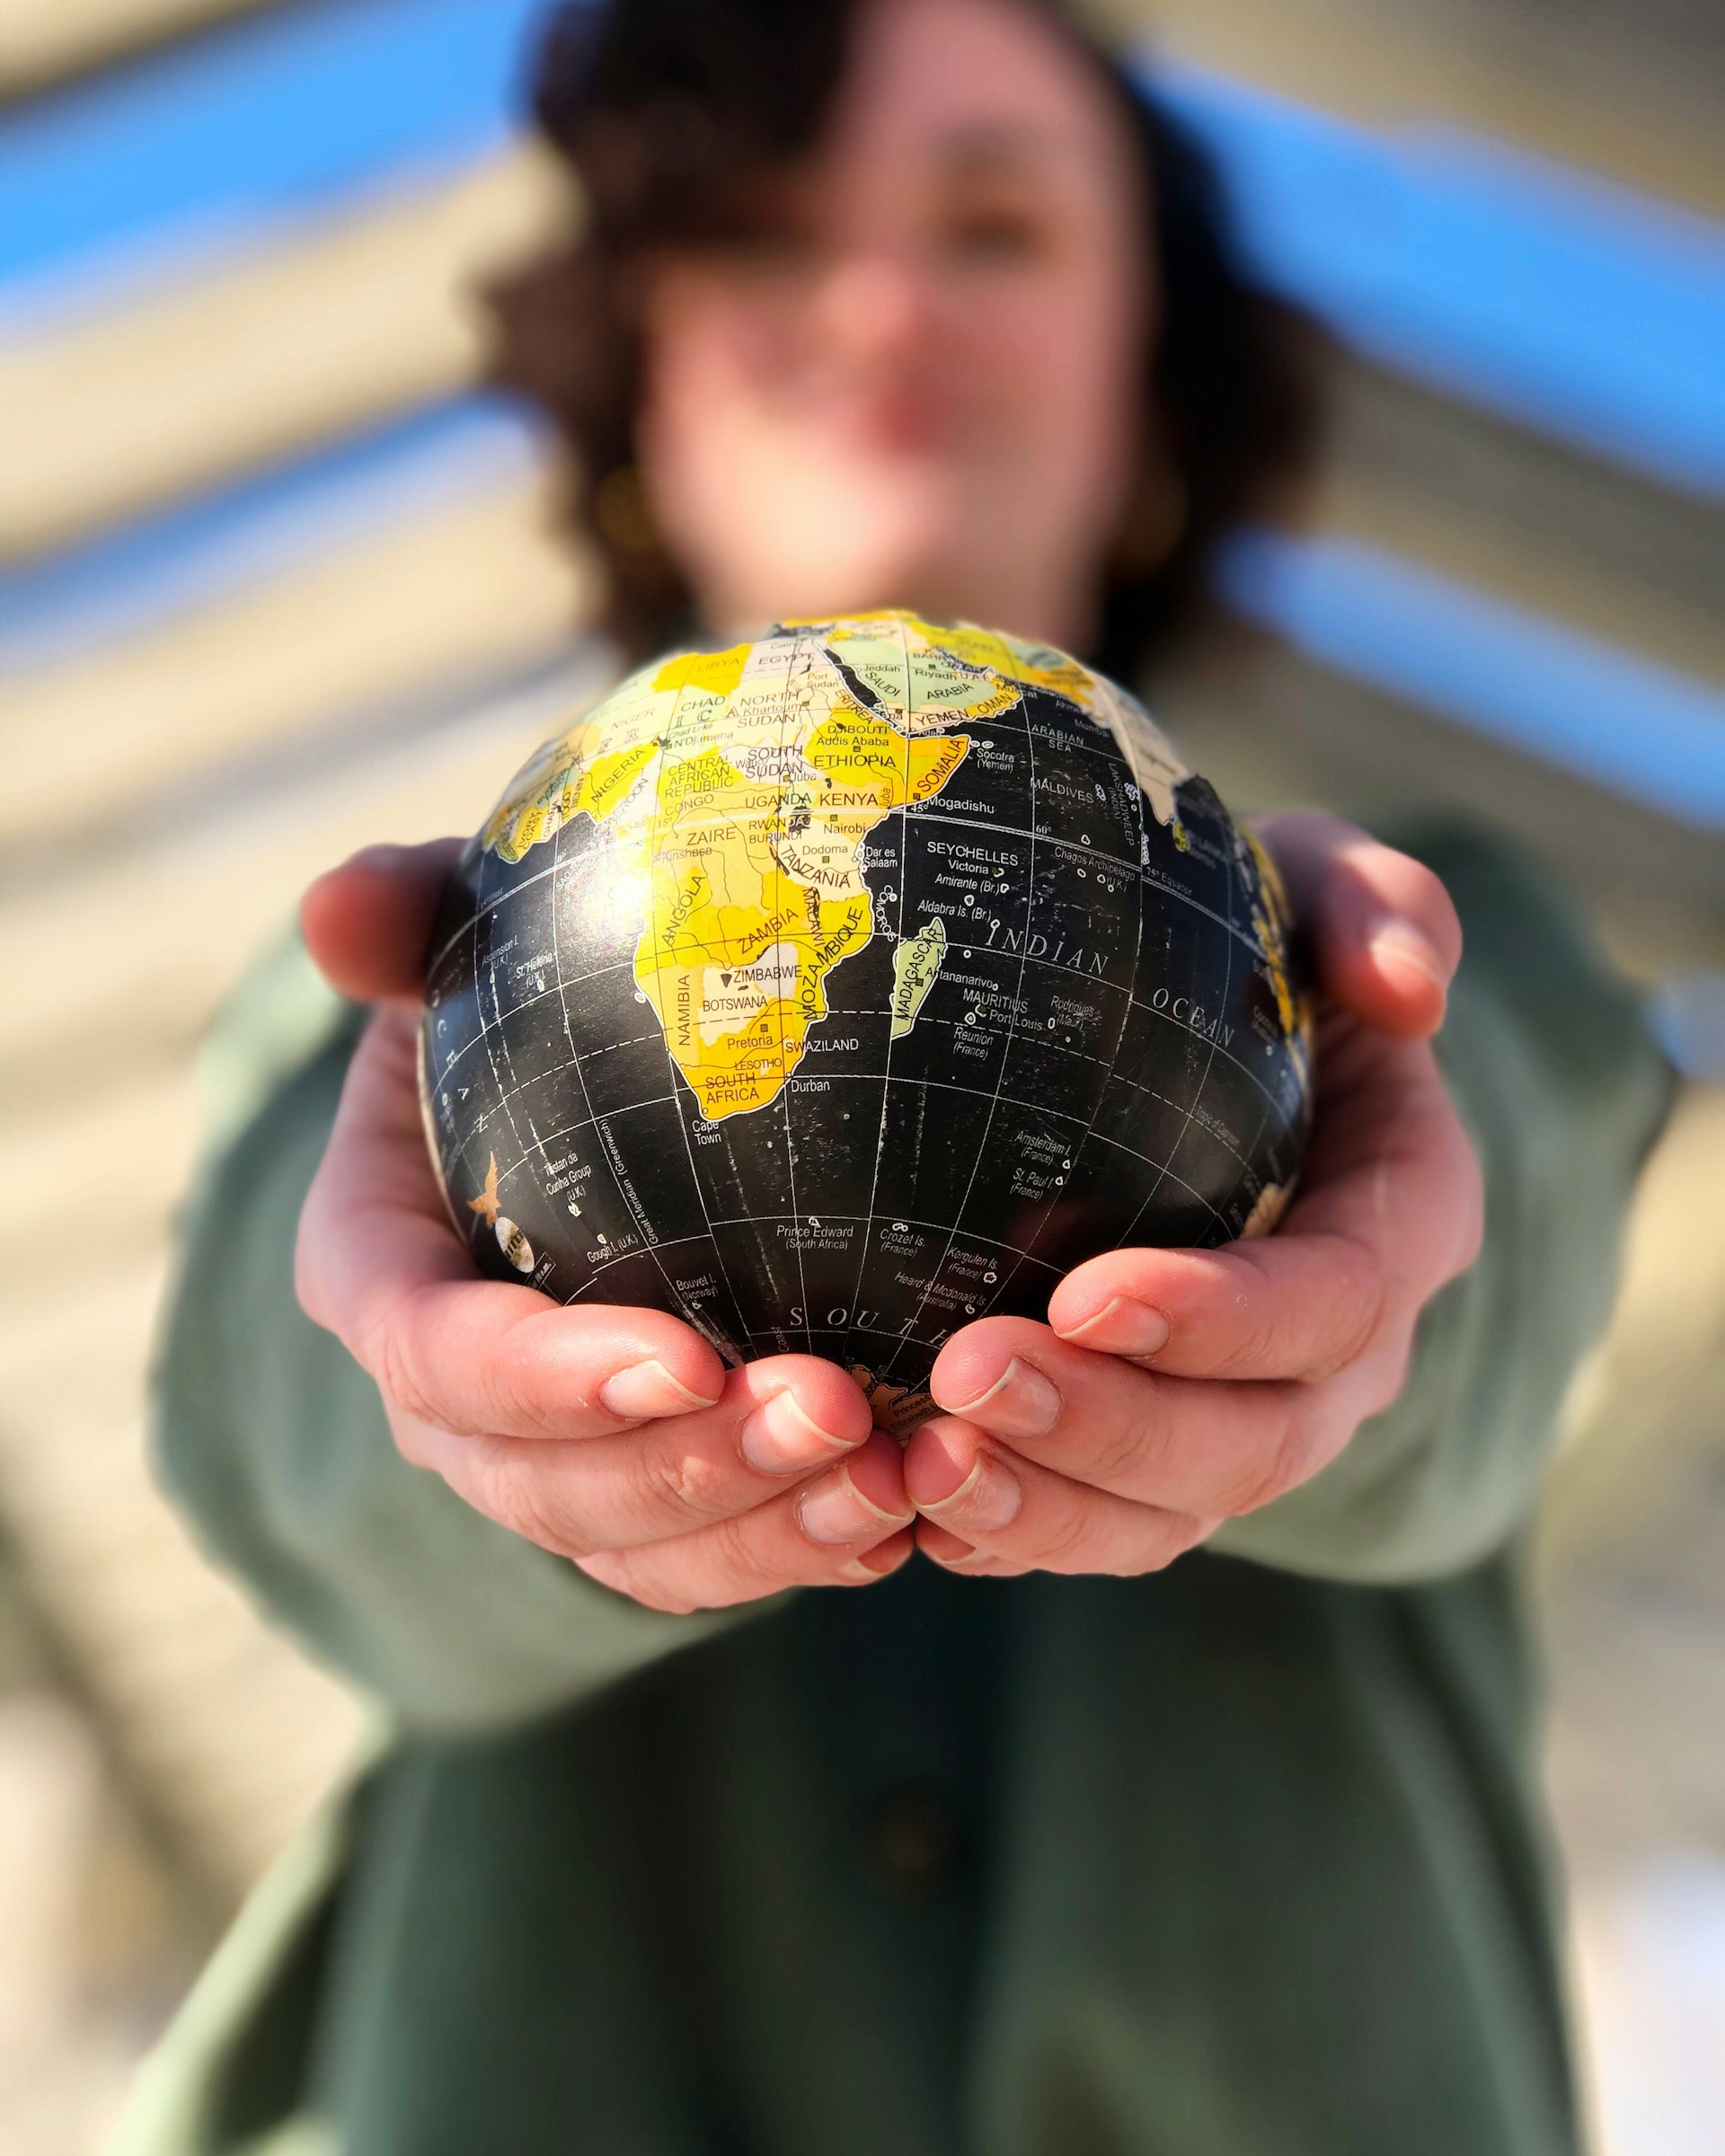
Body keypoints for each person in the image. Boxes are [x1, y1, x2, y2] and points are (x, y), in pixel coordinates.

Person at [120, 3, 1670, 2152]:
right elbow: (264, 1442)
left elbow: (1524, 1235)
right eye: (763, 235)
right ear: (640, 378)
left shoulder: (1441, 954)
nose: (875, 306)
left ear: (1153, 385)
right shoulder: (394, 1001)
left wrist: (1380, 1236)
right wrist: (442, 1431)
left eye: (997, 226)